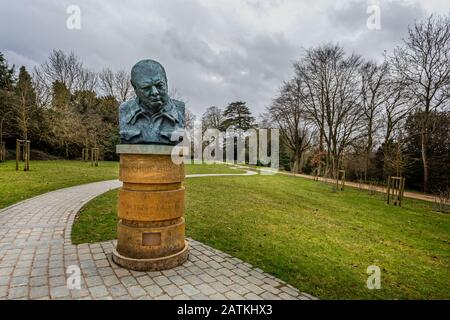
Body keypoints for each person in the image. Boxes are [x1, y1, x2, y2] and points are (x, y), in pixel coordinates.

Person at [119, 59, 185, 145]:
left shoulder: (180, 109)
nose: (155, 92)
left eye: (159, 85)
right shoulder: (124, 110)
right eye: (146, 88)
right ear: (134, 87)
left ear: (166, 82)